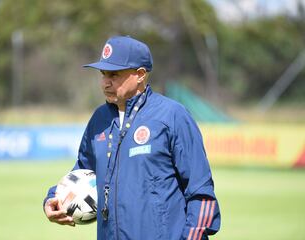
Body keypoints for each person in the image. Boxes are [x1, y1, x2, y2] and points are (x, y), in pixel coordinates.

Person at [43, 35, 221, 240]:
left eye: (114, 74)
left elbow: (201, 191)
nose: (105, 83)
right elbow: (82, 173)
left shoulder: (172, 116)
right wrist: (53, 199)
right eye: (103, 74)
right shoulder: (99, 119)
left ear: (140, 74)